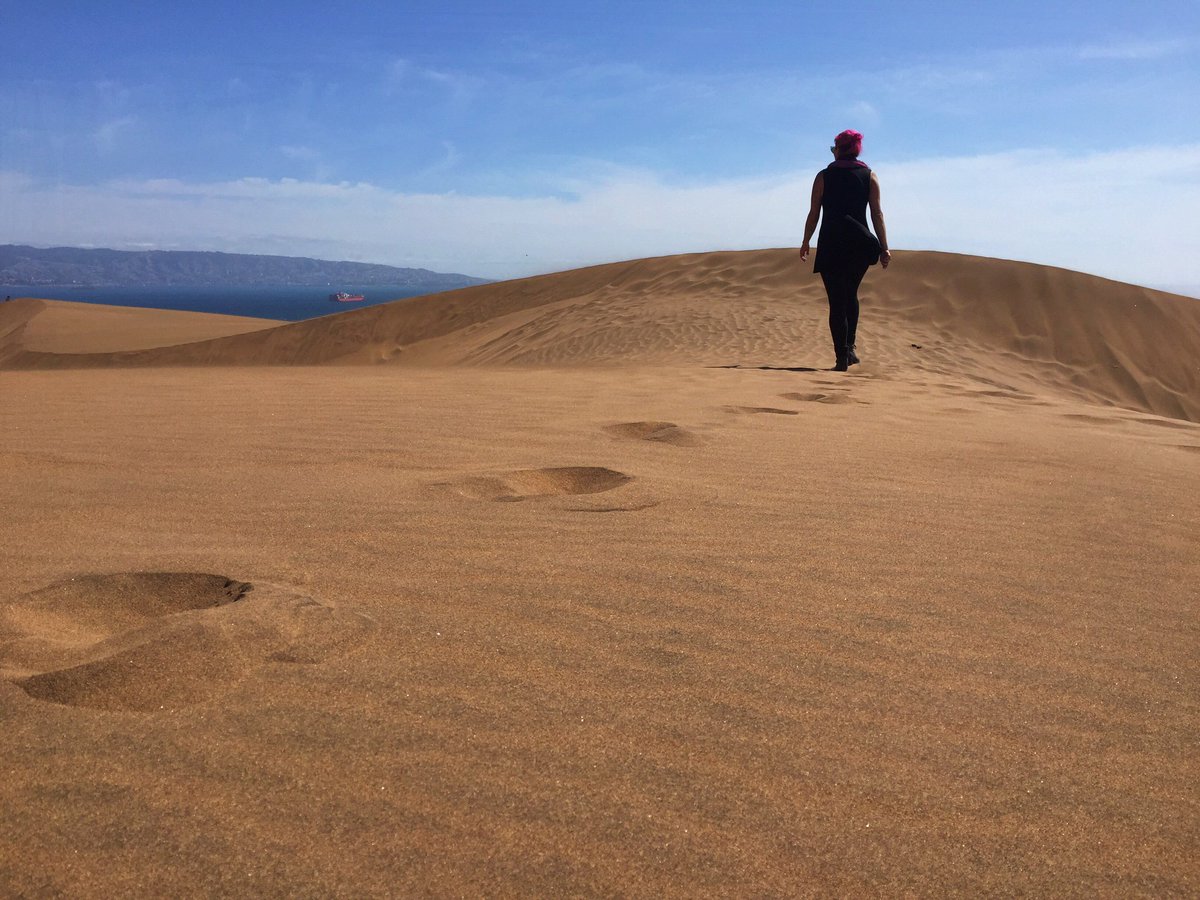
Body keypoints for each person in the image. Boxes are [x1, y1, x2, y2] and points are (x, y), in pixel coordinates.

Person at [800, 129, 890, 371]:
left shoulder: (823, 176)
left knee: (836, 301)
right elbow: (877, 214)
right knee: (850, 294)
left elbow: (814, 213)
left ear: (838, 149)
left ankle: (842, 357)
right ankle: (850, 350)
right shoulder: (870, 175)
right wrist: (884, 247)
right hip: (859, 244)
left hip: (832, 242)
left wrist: (806, 241)